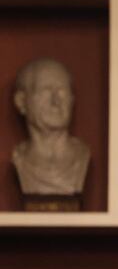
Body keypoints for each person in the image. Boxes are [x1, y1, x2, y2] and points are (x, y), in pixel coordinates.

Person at [12, 57, 90, 195]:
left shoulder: (83, 157)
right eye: (45, 90)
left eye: (62, 90)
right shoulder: (19, 160)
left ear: (72, 100)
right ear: (21, 102)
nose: (55, 101)